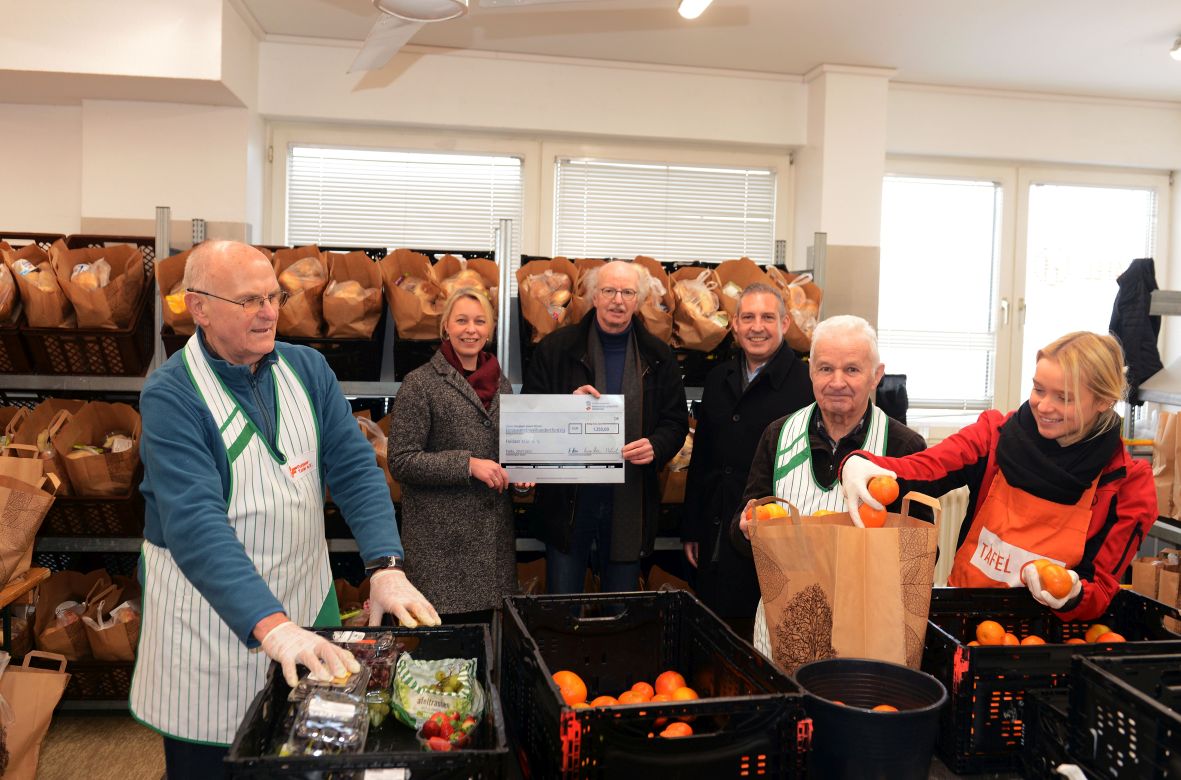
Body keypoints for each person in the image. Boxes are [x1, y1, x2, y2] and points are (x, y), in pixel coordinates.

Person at [129, 241, 439, 779]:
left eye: (274, 296)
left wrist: (385, 566)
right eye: (249, 300)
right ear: (199, 308)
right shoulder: (173, 395)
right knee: (215, 764)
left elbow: (354, 468)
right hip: (209, 632)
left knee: (306, 756)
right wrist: (271, 627)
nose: (270, 312)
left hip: (303, 602)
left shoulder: (307, 369)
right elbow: (195, 524)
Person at [841, 331, 1156, 621]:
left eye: (1064, 397)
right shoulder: (995, 436)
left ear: (1103, 401)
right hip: (964, 623)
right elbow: (927, 468)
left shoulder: (1127, 483)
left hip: (1047, 644)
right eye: (1038, 389)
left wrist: (1073, 593)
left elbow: (1099, 590)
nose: (1043, 406)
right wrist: (863, 464)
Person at [733, 315, 928, 657]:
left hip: (868, 626)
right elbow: (742, 527)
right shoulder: (778, 436)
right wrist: (746, 526)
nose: (837, 382)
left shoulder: (903, 447)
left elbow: (923, 553)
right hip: (785, 621)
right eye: (825, 369)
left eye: (852, 370)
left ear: (876, 376)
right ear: (811, 372)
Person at [523, 260, 689, 594]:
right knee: (561, 603)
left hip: (630, 497)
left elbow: (675, 421)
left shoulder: (658, 357)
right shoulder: (556, 349)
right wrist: (568, 405)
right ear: (593, 297)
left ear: (638, 299)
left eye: (627, 292)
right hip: (569, 501)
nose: (618, 300)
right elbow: (529, 413)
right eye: (609, 290)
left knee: (622, 604)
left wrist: (656, 445)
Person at [681, 283, 813, 638]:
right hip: (716, 530)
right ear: (735, 325)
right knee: (717, 634)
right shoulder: (717, 377)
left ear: (785, 324)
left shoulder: (806, 384)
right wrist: (692, 528)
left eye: (768, 317)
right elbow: (702, 457)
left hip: (774, 538)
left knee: (768, 635)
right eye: (748, 317)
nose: (758, 327)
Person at [388, 288, 523, 624]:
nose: (470, 329)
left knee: (487, 657)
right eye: (461, 320)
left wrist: (521, 475)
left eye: (479, 321)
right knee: (441, 664)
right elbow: (401, 460)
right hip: (441, 553)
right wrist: (467, 464)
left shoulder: (503, 386)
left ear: (490, 330)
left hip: (492, 552)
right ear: (446, 326)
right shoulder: (419, 384)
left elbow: (508, 453)